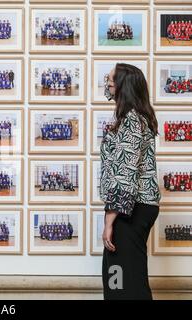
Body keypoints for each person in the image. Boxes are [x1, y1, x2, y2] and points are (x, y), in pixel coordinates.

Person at [100, 63, 161, 300]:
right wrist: (114, 79)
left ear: (123, 86)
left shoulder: (132, 120)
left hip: (130, 209)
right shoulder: (133, 116)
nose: (108, 83)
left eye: (112, 80)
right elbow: (110, 92)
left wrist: (109, 220)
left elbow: (125, 172)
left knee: (122, 281)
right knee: (123, 277)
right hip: (133, 207)